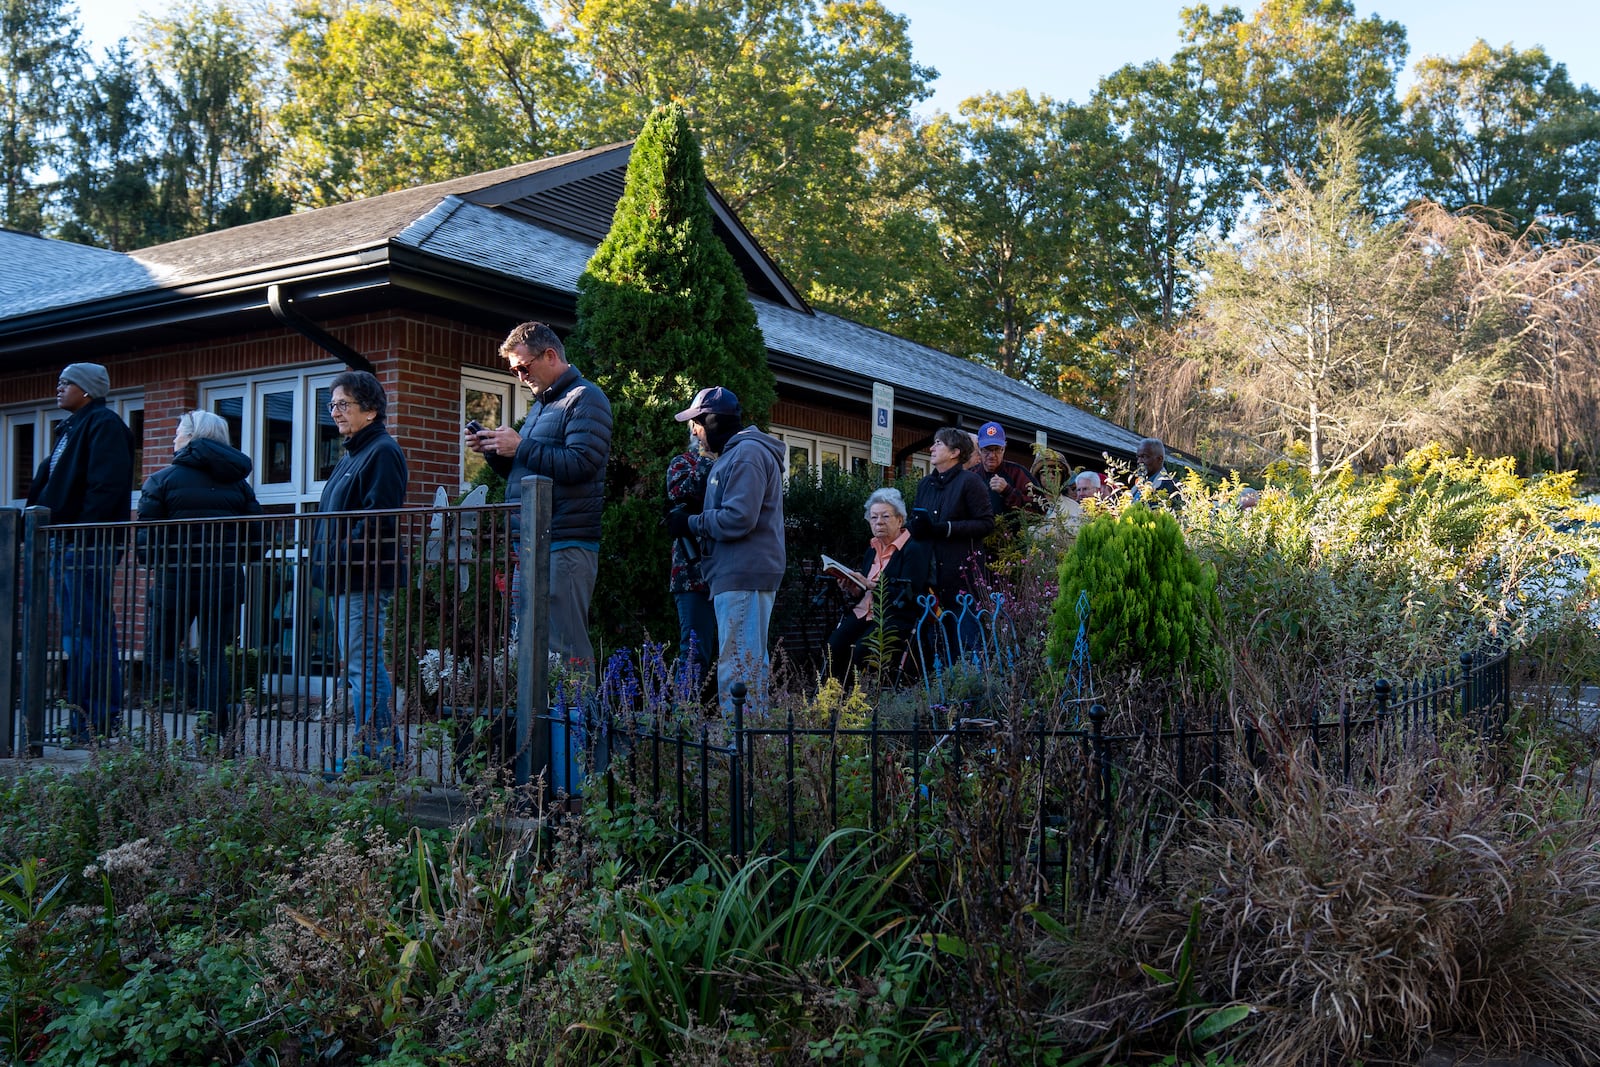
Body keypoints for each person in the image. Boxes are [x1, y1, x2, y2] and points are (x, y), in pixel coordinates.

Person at [468, 321, 612, 668]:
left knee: (565, 646)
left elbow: (582, 463)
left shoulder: (585, 398)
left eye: (523, 366)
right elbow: (530, 470)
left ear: (550, 355)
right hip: (533, 543)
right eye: (514, 370)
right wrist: (493, 450)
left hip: (564, 542)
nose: (519, 376)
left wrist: (521, 446)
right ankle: (543, 723)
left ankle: (577, 721)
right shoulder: (542, 406)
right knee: (535, 645)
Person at [137, 410, 263, 745]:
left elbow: (145, 545)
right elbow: (255, 544)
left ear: (192, 438)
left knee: (157, 654)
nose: (174, 438)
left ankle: (212, 710)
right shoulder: (240, 485)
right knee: (213, 656)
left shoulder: (161, 480)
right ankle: (212, 726)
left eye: (178, 432)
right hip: (222, 582)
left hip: (174, 583)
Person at [27, 362, 136, 743]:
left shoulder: (103, 425)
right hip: (68, 545)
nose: (58, 387)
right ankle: (83, 722)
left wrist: (77, 534)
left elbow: (106, 486)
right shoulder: (70, 429)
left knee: (90, 633)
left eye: (66, 382)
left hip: (85, 545)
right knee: (79, 634)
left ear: (87, 390)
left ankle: (96, 722)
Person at [666, 387, 785, 714]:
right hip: (741, 571)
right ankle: (753, 749)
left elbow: (738, 518)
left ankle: (740, 752)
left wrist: (691, 523)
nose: (693, 431)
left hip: (742, 572)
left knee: (739, 668)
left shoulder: (746, 454)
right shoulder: (737, 453)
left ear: (713, 420)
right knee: (747, 663)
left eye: (697, 423)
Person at [315, 370, 408, 765]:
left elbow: (378, 518)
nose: (335, 412)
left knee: (363, 666)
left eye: (343, 404)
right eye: (332, 405)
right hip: (344, 577)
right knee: (359, 665)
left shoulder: (382, 451)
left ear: (370, 411)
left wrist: (338, 550)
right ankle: (380, 751)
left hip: (363, 577)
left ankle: (375, 755)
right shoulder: (352, 453)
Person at [824, 488, 936, 682]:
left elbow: (910, 593)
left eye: (885, 516)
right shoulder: (872, 550)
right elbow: (863, 591)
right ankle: (832, 699)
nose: (879, 522)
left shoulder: (913, 550)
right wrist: (854, 588)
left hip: (895, 615)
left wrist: (872, 585)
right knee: (833, 647)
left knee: (861, 651)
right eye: (873, 517)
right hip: (864, 612)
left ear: (900, 520)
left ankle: (856, 701)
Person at [908, 427, 994, 613]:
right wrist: (915, 526)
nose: (931, 448)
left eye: (938, 443)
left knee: (964, 638)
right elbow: (914, 521)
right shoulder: (925, 484)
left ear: (955, 452)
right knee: (932, 638)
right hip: (928, 577)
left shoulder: (971, 482)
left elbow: (986, 524)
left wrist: (946, 528)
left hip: (961, 579)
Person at [665, 430, 716, 688]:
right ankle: (681, 721)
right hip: (692, 575)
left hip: (725, 571)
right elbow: (682, 493)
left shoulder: (732, 464)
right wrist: (707, 458)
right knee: (695, 654)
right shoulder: (682, 463)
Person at [976, 421, 1039, 520]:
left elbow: (1040, 507)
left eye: (997, 449)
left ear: (1004, 448)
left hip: (1012, 534)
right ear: (979, 449)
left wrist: (1008, 491)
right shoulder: (970, 475)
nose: (992, 455)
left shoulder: (1018, 473)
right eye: (987, 449)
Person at [1132, 437, 1182, 509]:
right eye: (1138, 457)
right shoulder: (1137, 486)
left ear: (1159, 459)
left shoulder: (1172, 486)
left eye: (1144, 456)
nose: (1139, 461)